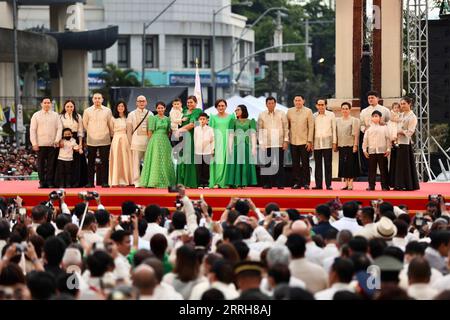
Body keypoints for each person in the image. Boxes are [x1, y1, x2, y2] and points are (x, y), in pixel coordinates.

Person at [140, 101, 175, 188]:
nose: (160, 109)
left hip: (165, 141)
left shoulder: (168, 119)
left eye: (162, 108)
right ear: (156, 109)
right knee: (155, 160)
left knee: (165, 160)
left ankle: (166, 181)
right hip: (155, 140)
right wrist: (151, 143)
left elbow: (168, 132)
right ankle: (154, 181)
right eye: (158, 108)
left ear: (165, 108)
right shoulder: (153, 118)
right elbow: (150, 131)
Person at [30, 97, 63, 188]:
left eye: (48, 103)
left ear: (51, 104)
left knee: (51, 165)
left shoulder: (56, 115)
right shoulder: (36, 115)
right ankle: (42, 182)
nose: (47, 104)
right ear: (41, 104)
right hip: (40, 144)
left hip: (52, 144)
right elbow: (32, 130)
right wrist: (34, 143)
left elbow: (59, 128)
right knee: (40, 165)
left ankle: (49, 182)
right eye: (45, 103)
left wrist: (57, 140)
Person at [257, 96, 289, 189]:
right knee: (268, 164)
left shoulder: (282, 113)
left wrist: (286, 141)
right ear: (266, 104)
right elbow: (259, 129)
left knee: (279, 164)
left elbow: (286, 128)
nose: (271, 105)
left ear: (275, 104)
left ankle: (280, 184)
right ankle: (268, 184)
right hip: (267, 143)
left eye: (272, 103)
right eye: (269, 103)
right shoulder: (262, 114)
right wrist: (261, 142)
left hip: (279, 142)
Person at [83, 92, 113, 188]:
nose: (97, 100)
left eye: (99, 98)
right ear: (92, 100)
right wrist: (91, 133)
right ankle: (90, 182)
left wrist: (111, 136)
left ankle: (104, 182)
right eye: (95, 98)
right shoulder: (87, 111)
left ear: (102, 100)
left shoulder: (107, 111)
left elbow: (110, 124)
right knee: (91, 162)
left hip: (105, 139)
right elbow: (85, 124)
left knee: (105, 162)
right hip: (91, 139)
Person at [390, 97, 420, 191]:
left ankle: (405, 184)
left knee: (403, 165)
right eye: (401, 104)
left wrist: (400, 131)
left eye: (404, 104)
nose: (402, 106)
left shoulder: (412, 117)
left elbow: (410, 132)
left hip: (404, 143)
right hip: (396, 141)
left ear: (409, 103)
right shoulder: (401, 115)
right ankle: (396, 184)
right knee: (396, 164)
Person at [359, 91, 391, 176]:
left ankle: (385, 185)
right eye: (369, 98)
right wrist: (364, 130)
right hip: (370, 139)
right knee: (371, 165)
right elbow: (361, 124)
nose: (370, 99)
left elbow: (390, 123)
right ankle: (371, 185)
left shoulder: (385, 110)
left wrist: (385, 125)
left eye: (372, 98)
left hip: (382, 140)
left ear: (378, 98)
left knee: (383, 165)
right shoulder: (364, 111)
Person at [226, 104, 258, 188]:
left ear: (243, 110)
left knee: (245, 164)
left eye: (238, 110)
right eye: (235, 110)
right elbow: (231, 135)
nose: (236, 111)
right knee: (236, 163)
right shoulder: (233, 121)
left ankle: (244, 183)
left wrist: (254, 147)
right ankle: (236, 183)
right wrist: (229, 147)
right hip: (236, 146)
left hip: (247, 146)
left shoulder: (251, 121)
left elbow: (253, 135)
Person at [287, 95, 314, 190]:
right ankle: (297, 183)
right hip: (293, 141)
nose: (297, 102)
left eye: (299, 100)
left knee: (305, 163)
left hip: (305, 142)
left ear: (303, 101)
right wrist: (287, 140)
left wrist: (309, 141)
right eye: (296, 100)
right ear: (294, 101)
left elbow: (311, 127)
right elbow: (287, 126)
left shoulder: (308, 111)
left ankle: (306, 183)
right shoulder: (289, 111)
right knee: (295, 164)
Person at [59, 99, 88, 187]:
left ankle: (76, 182)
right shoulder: (61, 117)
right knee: (64, 162)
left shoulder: (78, 116)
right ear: (64, 107)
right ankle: (63, 183)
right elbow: (59, 129)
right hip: (64, 139)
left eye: (71, 106)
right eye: (67, 106)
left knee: (77, 162)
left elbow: (80, 131)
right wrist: (60, 140)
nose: (69, 108)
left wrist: (80, 144)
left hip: (75, 138)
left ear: (74, 107)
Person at [175, 96, 202, 188]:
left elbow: (193, 124)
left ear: (196, 102)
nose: (189, 104)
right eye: (188, 102)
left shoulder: (197, 111)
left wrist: (179, 130)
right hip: (183, 137)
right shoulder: (184, 112)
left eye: (191, 102)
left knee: (189, 159)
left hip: (191, 137)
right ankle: (181, 182)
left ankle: (189, 182)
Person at [127, 95, 152, 188]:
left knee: (147, 163)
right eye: (139, 101)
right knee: (135, 163)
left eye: (143, 101)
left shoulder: (150, 114)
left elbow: (151, 130)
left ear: (146, 102)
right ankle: (136, 181)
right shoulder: (131, 114)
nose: (141, 103)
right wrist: (130, 143)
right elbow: (129, 131)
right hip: (136, 142)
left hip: (148, 143)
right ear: (136, 103)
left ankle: (146, 181)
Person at [208, 99, 234, 189]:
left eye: (222, 105)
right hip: (217, 142)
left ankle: (226, 182)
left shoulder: (231, 117)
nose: (221, 107)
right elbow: (210, 131)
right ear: (216, 107)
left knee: (227, 163)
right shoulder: (213, 117)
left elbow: (233, 130)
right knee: (218, 163)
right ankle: (218, 182)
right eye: (219, 106)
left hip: (228, 142)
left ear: (226, 106)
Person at [362, 110, 391, 191]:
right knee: (371, 170)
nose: (375, 118)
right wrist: (364, 150)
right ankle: (371, 186)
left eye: (376, 116)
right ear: (371, 118)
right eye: (373, 116)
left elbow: (388, 139)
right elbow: (365, 140)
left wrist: (388, 149)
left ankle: (385, 186)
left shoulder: (384, 128)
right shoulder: (368, 129)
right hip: (372, 151)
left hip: (382, 151)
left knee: (383, 170)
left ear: (380, 118)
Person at [312, 98, 336, 190]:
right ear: (316, 106)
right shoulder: (314, 116)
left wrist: (334, 142)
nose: (321, 106)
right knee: (317, 165)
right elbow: (312, 130)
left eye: (323, 105)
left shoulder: (331, 115)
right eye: (319, 105)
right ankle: (318, 185)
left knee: (328, 164)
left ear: (326, 105)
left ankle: (329, 184)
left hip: (328, 142)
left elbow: (334, 129)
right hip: (317, 143)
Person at [336, 102, 360, 190]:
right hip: (341, 145)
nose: (344, 110)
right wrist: (335, 144)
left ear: (349, 110)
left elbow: (356, 135)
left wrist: (355, 145)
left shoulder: (354, 120)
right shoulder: (337, 120)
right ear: (341, 110)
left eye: (346, 109)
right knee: (343, 164)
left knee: (350, 164)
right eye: (343, 108)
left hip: (350, 145)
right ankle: (345, 183)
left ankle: (350, 183)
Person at [109, 100, 133, 187]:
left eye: (122, 106)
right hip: (116, 139)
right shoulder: (112, 118)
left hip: (125, 139)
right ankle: (116, 180)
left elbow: (130, 130)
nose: (120, 108)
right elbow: (111, 131)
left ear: (125, 108)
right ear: (116, 108)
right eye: (119, 106)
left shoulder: (128, 118)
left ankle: (127, 179)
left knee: (126, 159)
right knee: (117, 159)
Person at [193, 113, 214, 189]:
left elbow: (212, 140)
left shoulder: (210, 129)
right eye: (200, 119)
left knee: (206, 168)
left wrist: (212, 149)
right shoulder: (196, 129)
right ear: (198, 120)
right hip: (198, 151)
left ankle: (206, 183)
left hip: (207, 151)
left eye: (204, 119)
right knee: (199, 168)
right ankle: (200, 183)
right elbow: (194, 139)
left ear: (207, 120)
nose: (202, 120)